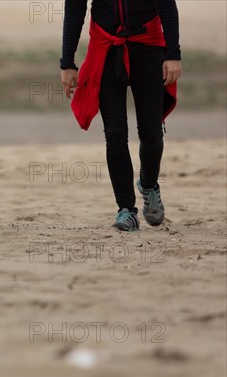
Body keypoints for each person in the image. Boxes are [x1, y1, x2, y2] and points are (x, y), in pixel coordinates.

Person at [60, 0, 182, 231]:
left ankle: (148, 185)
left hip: (148, 47)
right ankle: (126, 210)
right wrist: (67, 62)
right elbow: (75, 8)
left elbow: (166, 4)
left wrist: (173, 54)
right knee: (115, 133)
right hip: (105, 48)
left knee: (151, 133)